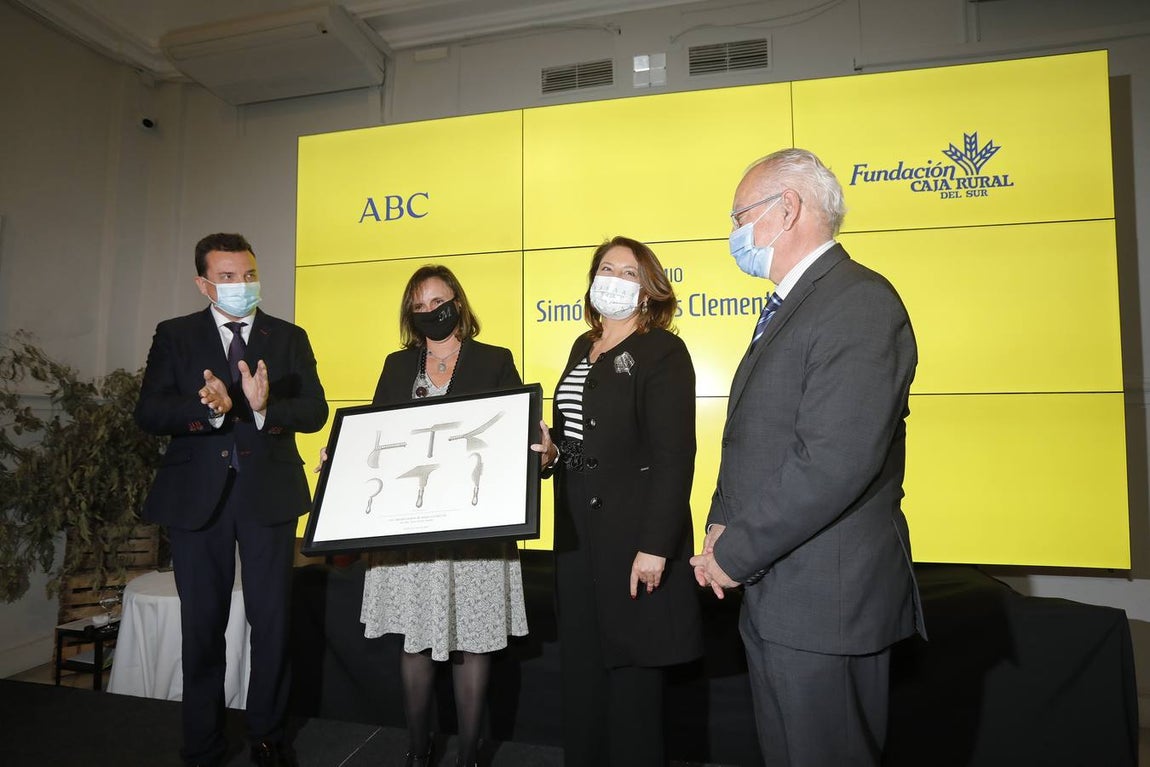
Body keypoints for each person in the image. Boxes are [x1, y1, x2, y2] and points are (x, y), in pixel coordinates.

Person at [689, 148, 926, 766]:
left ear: (786, 208)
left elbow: (832, 463)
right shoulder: (796, 306)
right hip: (780, 594)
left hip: (827, 602)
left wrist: (733, 555)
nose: (735, 235)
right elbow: (752, 436)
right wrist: (720, 525)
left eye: (740, 217)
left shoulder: (858, 302)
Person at [135, 233, 328, 767]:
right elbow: (150, 412)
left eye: (247, 275)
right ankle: (202, 742)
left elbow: (314, 411)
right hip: (198, 499)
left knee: (271, 623)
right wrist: (213, 410)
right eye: (226, 277)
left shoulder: (288, 337)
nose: (240, 285)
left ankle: (269, 736)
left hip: (268, 495)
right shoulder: (174, 336)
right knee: (202, 627)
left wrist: (265, 411)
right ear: (203, 282)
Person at [532, 236, 703, 767]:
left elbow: (675, 456)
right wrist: (552, 451)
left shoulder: (663, 351)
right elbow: (580, 439)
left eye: (628, 272)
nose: (614, 278)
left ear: (649, 289)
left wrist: (656, 545)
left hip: (634, 538)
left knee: (633, 684)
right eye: (606, 268)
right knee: (582, 674)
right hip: (578, 533)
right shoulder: (581, 346)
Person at [359, 264, 528, 767]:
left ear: (458, 300)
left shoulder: (495, 360)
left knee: (473, 641)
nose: (431, 311)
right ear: (410, 315)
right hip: (411, 534)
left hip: (475, 529)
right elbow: (376, 439)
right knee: (414, 642)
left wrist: (537, 450)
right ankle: (418, 751)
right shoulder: (395, 366)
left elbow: (513, 438)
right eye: (420, 306)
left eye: (439, 301)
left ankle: (471, 755)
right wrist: (346, 459)